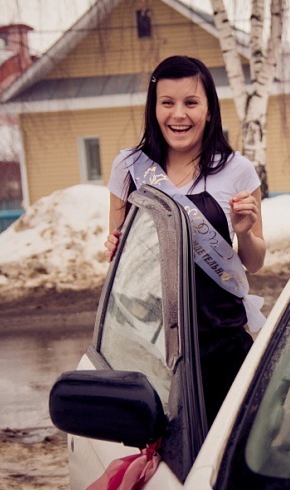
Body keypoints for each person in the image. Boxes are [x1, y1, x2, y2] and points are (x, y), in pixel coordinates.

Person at [104, 55, 266, 424]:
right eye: (167, 102)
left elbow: (255, 263)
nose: (179, 114)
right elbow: (119, 254)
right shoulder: (129, 169)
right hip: (151, 346)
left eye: (191, 102)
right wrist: (115, 248)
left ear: (209, 110)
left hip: (222, 345)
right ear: (154, 108)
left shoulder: (237, 170)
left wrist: (244, 232)